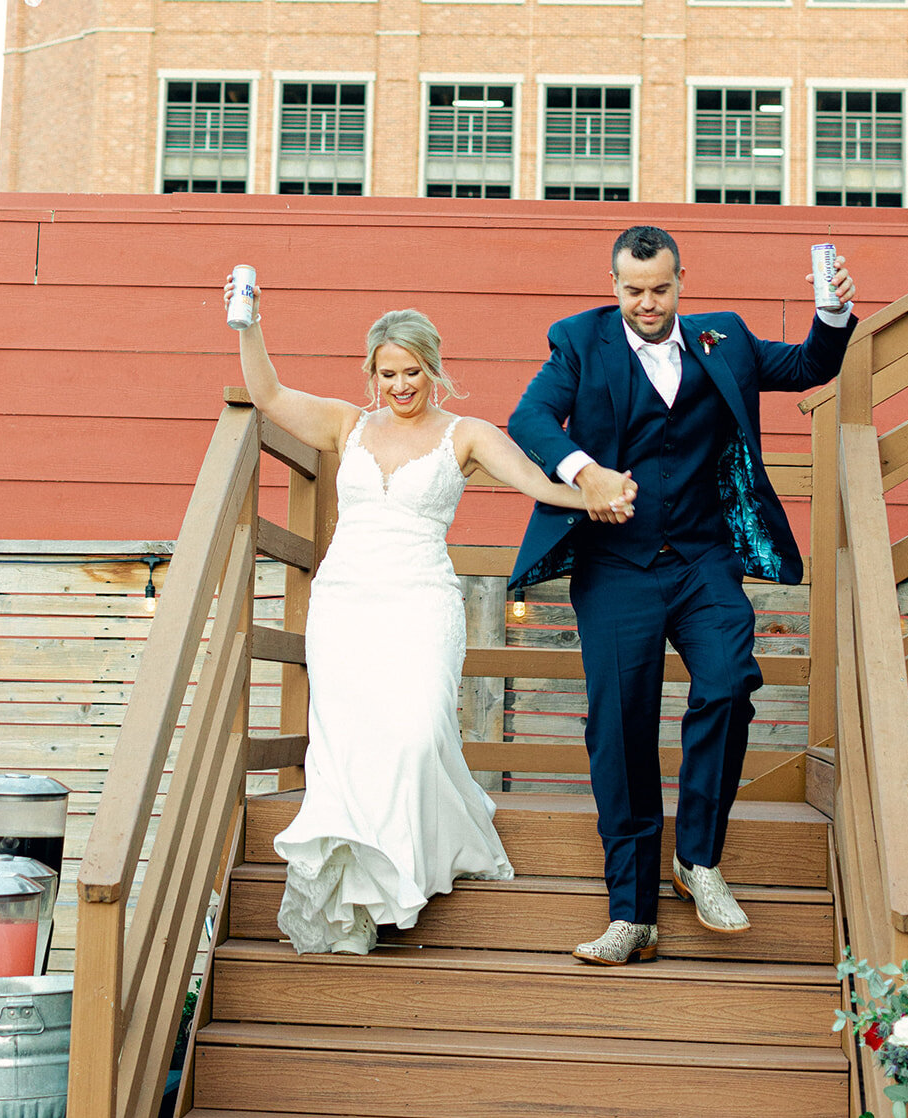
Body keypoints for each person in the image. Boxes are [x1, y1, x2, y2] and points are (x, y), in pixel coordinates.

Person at [225, 278, 635, 956]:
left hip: (421, 602)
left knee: (415, 735)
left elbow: (534, 481)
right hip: (345, 602)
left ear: (433, 368)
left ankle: (406, 876)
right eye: (388, 373)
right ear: (372, 374)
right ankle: (357, 899)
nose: (400, 384)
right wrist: (250, 323)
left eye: (412, 370)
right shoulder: (345, 426)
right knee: (348, 749)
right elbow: (268, 395)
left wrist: (596, 492)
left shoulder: (465, 435)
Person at [508, 225, 856, 966]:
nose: (646, 302)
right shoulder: (579, 341)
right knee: (622, 729)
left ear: (681, 281)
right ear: (613, 287)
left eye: (659, 288)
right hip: (616, 566)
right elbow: (529, 419)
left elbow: (805, 366)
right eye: (632, 290)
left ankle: (697, 859)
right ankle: (631, 914)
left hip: (701, 560)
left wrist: (831, 314)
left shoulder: (721, 339)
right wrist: (583, 473)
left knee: (729, 684)